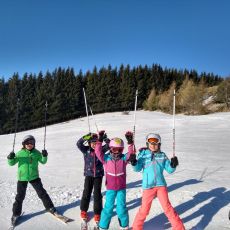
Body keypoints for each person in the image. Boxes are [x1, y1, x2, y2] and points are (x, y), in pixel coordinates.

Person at [130, 133, 185, 230]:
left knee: (167, 208)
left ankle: (179, 228)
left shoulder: (162, 155)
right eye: (151, 143)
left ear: (159, 144)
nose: (153, 145)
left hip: (161, 186)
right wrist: (134, 163)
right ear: (147, 144)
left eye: (156, 143)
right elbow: (137, 169)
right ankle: (136, 228)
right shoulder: (143, 155)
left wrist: (173, 165)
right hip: (148, 187)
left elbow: (169, 170)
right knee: (144, 210)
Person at [7, 135, 57, 223]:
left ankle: (50, 207)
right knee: (20, 196)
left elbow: (43, 162)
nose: (29, 144)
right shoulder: (20, 153)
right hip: (22, 178)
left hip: (34, 177)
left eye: (32, 142)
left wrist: (44, 156)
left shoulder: (37, 153)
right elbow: (12, 163)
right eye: (27, 143)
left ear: (34, 144)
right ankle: (15, 214)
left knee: (42, 193)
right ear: (23, 144)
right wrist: (10, 158)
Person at [95, 130, 135, 230]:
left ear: (122, 150)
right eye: (114, 149)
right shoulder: (106, 159)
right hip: (110, 189)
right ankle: (103, 227)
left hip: (121, 188)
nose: (117, 152)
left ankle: (124, 226)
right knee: (108, 208)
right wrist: (99, 140)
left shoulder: (124, 159)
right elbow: (98, 152)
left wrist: (130, 142)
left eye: (119, 150)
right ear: (110, 149)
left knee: (121, 208)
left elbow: (131, 153)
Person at [76, 132, 110, 225]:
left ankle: (97, 213)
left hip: (98, 176)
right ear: (89, 143)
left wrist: (105, 139)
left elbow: (110, 145)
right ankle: (83, 210)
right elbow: (78, 144)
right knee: (86, 192)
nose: (94, 144)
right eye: (92, 142)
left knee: (97, 194)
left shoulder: (101, 150)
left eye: (96, 142)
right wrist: (86, 136)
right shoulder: (85, 150)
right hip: (88, 175)